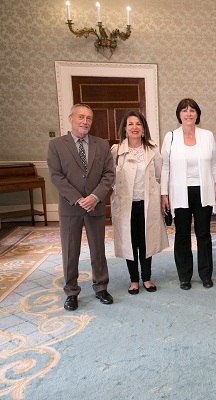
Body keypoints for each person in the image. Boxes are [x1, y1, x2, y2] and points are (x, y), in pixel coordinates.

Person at [47, 103, 115, 311]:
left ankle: (101, 287)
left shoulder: (102, 145)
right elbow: (56, 176)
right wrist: (78, 199)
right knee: (70, 251)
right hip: (70, 207)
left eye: (89, 118)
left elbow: (109, 175)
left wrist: (94, 196)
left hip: (95, 205)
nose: (85, 122)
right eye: (81, 117)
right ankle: (71, 291)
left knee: (98, 249)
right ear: (71, 119)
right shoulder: (56, 145)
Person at [161, 98, 216, 290]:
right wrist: (164, 194)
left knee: (204, 234)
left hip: (203, 191)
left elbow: (214, 164)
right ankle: (185, 276)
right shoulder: (170, 137)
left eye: (192, 110)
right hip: (179, 192)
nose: (189, 114)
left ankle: (205, 275)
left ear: (197, 114)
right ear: (179, 114)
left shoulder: (207, 135)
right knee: (182, 235)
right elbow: (164, 167)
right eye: (184, 110)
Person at [111, 111, 169, 295]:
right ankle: (133, 280)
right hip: (126, 205)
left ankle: (147, 278)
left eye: (138, 124)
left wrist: (162, 199)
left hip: (147, 204)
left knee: (146, 242)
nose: (134, 127)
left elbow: (160, 176)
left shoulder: (152, 150)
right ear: (125, 129)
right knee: (130, 242)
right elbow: (110, 176)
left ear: (143, 128)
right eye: (130, 124)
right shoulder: (116, 150)